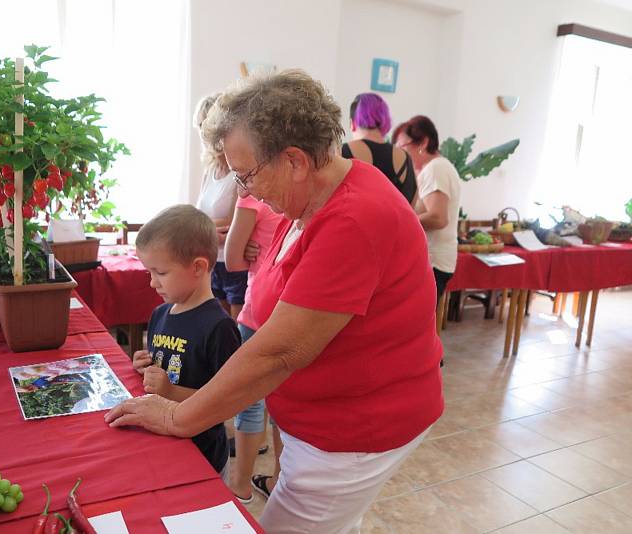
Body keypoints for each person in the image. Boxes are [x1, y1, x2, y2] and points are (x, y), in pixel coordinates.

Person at [107, 70, 443, 534]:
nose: (246, 192)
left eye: (246, 175)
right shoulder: (308, 202)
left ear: (295, 161)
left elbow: (281, 349)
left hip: (356, 428)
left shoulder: (353, 219)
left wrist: (178, 417)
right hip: (321, 420)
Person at [131, 204, 242, 476]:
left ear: (198, 267)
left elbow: (224, 404)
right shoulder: (160, 314)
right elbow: (167, 367)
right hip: (164, 445)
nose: (152, 283)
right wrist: (146, 364)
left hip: (202, 456)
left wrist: (170, 392)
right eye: (149, 273)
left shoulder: (220, 327)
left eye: (161, 273)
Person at [223, 190, 283, 503]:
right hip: (293, 308)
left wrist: (248, 249)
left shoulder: (254, 197)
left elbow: (232, 260)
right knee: (282, 402)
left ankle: (241, 485)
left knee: (250, 399)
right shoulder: (308, 195)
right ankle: (276, 480)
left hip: (259, 307)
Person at [393, 115, 461, 300]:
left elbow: (438, 217)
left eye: (402, 148)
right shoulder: (435, 167)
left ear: (423, 142)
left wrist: (399, 223)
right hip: (434, 260)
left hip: (434, 261)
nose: (400, 154)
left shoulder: (435, 168)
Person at [194, 94, 248, 320]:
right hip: (212, 261)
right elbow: (198, 218)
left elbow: (231, 221)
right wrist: (202, 228)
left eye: (209, 125)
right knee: (217, 327)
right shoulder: (210, 170)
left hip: (234, 263)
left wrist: (197, 228)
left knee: (236, 334)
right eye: (201, 126)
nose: (205, 135)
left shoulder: (240, 170)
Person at [341, 93, 417, 205]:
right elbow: (411, 206)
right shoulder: (405, 158)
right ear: (385, 120)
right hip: (395, 222)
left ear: (352, 124)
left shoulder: (343, 151)